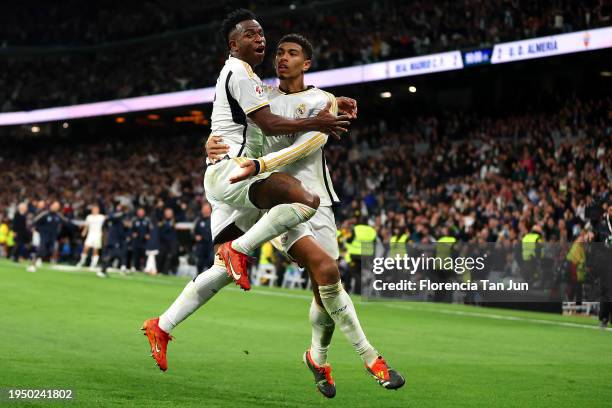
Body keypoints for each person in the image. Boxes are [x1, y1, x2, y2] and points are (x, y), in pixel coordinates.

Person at [142, 29, 404, 395]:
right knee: (325, 268)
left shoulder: (324, 100)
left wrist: (264, 160)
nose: (282, 57)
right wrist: (211, 143)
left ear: (306, 63)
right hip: (279, 199)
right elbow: (236, 131)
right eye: (279, 52)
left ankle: (318, 357)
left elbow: (309, 143)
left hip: (319, 200)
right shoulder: (261, 97)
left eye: (292, 53)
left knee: (324, 289)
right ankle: (371, 357)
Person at [28, 201, 68, 272]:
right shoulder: (45, 214)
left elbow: (66, 222)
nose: (55, 207)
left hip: (53, 237)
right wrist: (38, 230)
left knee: (50, 250)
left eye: (57, 206)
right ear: (51, 206)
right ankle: (32, 264)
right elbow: (35, 221)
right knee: (42, 248)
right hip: (44, 235)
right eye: (54, 206)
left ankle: (39, 259)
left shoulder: (58, 216)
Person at [100, 205, 128, 275]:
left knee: (117, 254)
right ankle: (102, 270)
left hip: (117, 239)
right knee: (113, 254)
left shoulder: (120, 218)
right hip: (114, 239)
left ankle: (104, 270)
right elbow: (110, 217)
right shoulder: (117, 216)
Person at [76, 205, 106, 271]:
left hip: (97, 235)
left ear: (98, 210)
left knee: (95, 250)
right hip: (90, 235)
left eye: (96, 209)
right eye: (93, 209)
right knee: (86, 248)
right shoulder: (89, 217)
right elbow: (86, 225)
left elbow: (107, 219)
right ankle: (82, 261)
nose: (94, 210)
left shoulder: (101, 217)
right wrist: (84, 231)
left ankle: (93, 264)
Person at [192, 203, 214, 273]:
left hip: (210, 247)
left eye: (207, 209)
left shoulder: (214, 220)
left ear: (210, 210)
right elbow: (194, 233)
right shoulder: (198, 221)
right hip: (201, 248)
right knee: (199, 265)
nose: (205, 211)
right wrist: (195, 237)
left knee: (210, 264)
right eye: (204, 209)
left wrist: (203, 237)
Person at [158, 208, 179, 275]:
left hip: (172, 242)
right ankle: (160, 270)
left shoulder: (175, 221)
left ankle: (168, 271)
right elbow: (162, 231)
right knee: (162, 256)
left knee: (171, 256)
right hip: (163, 242)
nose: (168, 214)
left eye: (170, 213)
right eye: (167, 213)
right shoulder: (162, 222)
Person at [130, 207, 152, 271]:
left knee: (144, 254)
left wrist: (148, 234)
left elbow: (150, 229)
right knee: (135, 254)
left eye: (142, 212)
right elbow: (131, 229)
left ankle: (143, 267)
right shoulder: (134, 219)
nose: (140, 213)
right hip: (136, 240)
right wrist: (133, 234)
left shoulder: (147, 220)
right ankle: (134, 266)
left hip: (144, 241)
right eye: (139, 211)